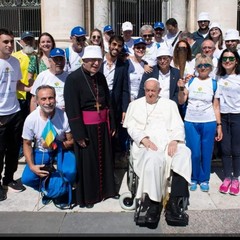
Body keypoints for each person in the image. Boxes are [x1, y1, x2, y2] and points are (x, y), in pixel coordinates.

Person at [123, 78, 191, 226]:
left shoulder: (170, 104)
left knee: (184, 153)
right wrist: (143, 139)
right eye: (147, 90)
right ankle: (153, 204)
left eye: (153, 91)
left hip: (168, 143)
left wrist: (175, 140)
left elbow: (178, 126)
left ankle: (174, 202)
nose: (150, 94)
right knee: (153, 158)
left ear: (159, 91)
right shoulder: (134, 105)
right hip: (146, 146)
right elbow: (131, 128)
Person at [64, 45, 116, 208]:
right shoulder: (73, 79)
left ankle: (107, 192)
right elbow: (72, 109)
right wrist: (78, 134)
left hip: (102, 125)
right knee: (87, 163)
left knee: (105, 159)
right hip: (86, 128)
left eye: (98, 60)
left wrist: (112, 122)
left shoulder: (100, 77)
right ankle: (89, 197)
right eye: (92, 60)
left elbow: (108, 102)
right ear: (84, 60)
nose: (95, 63)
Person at [21, 85, 74, 201]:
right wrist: (31, 166)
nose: (48, 102)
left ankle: (64, 191)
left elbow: (71, 141)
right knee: (27, 178)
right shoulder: (31, 119)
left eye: (51, 98)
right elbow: (27, 144)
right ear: (38, 101)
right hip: (42, 150)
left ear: (55, 98)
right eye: (43, 99)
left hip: (61, 149)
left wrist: (55, 145)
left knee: (70, 171)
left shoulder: (63, 116)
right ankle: (51, 190)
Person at [178, 54, 222, 192]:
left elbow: (216, 106)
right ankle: (193, 177)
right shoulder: (190, 82)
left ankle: (204, 179)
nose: (203, 68)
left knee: (206, 152)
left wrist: (219, 125)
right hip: (191, 121)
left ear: (211, 67)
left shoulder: (214, 83)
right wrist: (180, 88)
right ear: (196, 67)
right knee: (194, 152)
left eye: (206, 65)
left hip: (208, 122)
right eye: (200, 65)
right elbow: (181, 101)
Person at [0, 28, 31, 201]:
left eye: (11, 41)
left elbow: (18, 84)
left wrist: (32, 89)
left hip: (15, 112)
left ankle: (9, 179)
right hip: (0, 115)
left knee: (13, 150)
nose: (9, 45)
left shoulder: (14, 62)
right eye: (5, 41)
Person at [215, 49, 240, 195]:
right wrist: (219, 124)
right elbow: (216, 103)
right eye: (225, 59)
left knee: (236, 150)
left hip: (238, 116)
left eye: (231, 59)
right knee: (225, 149)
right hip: (224, 117)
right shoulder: (219, 78)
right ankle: (226, 178)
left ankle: (235, 178)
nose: (228, 61)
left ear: (236, 60)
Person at [12, 31, 36, 158]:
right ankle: (21, 146)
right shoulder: (15, 57)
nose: (28, 42)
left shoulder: (36, 56)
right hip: (20, 95)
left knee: (33, 121)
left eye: (30, 40)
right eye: (25, 40)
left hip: (33, 95)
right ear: (21, 42)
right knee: (21, 123)